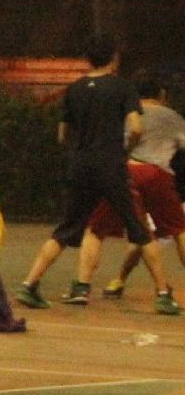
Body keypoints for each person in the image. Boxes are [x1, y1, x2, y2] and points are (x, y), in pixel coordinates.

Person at [14, 35, 156, 309]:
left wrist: (76, 152)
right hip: (111, 165)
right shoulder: (122, 87)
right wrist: (126, 149)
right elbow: (137, 128)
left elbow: (62, 133)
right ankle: (163, 292)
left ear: (88, 59)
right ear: (114, 58)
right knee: (138, 228)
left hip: (80, 165)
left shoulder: (75, 89)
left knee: (67, 229)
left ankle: (30, 284)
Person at [77, 69, 185, 315]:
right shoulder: (173, 117)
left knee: (96, 230)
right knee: (178, 230)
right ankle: (162, 292)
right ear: (162, 94)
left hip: (125, 173)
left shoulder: (127, 114)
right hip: (158, 174)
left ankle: (81, 287)